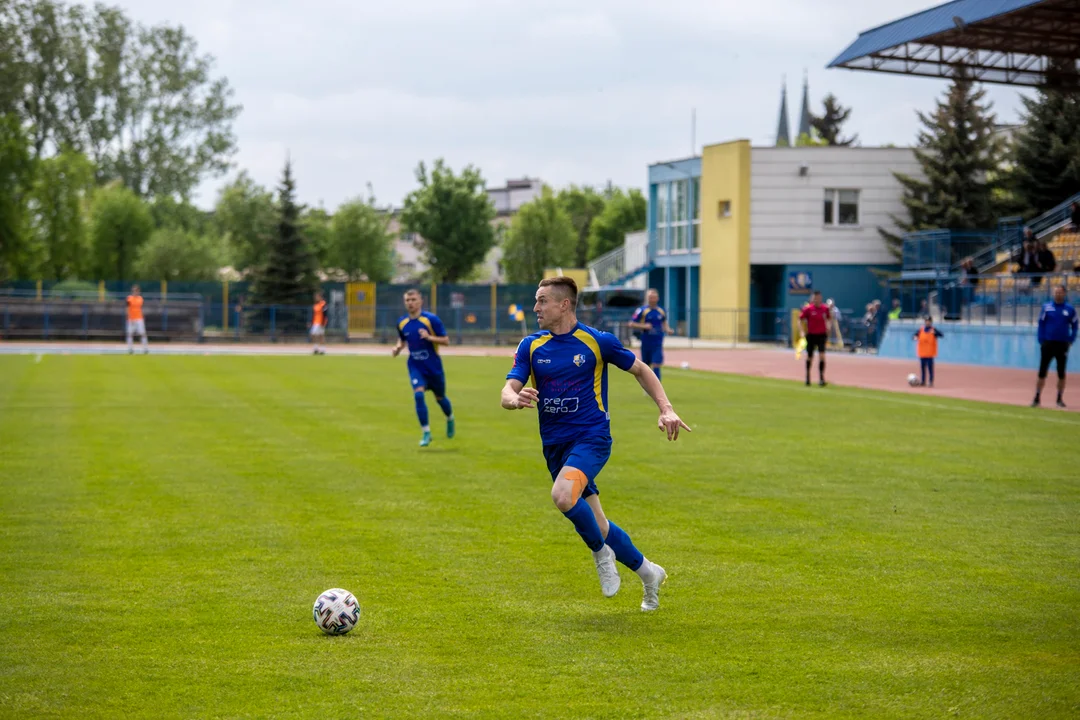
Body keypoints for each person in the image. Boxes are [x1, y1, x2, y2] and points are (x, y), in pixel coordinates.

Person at [501, 276, 690, 611]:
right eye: (536, 300)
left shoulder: (597, 341)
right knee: (598, 522)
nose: (535, 308)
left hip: (592, 437)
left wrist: (667, 408)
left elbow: (641, 369)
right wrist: (512, 398)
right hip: (555, 446)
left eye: (542, 300)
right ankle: (649, 573)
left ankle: (602, 555)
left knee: (562, 495)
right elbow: (508, 388)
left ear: (564, 304)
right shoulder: (531, 345)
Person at [393, 289, 455, 446]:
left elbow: (446, 340)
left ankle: (450, 418)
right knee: (418, 395)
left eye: (413, 299)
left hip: (433, 367)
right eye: (407, 300)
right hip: (415, 365)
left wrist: (429, 337)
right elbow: (402, 340)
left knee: (440, 399)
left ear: (420, 301)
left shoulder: (431, 320)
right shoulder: (402, 323)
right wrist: (398, 348)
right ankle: (426, 432)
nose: (410, 303)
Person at [1032, 285, 1077, 408]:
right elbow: (1041, 323)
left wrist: (1071, 339)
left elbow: (1075, 325)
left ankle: (1059, 398)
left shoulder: (1070, 309)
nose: (1058, 294)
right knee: (1042, 372)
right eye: (1056, 292)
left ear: (1064, 294)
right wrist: (1041, 339)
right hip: (1048, 343)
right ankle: (1037, 397)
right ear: (1053, 294)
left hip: (1062, 344)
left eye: (1060, 292)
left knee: (1061, 373)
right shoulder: (1047, 307)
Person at [627, 288, 674, 380]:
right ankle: (647, 386)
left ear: (657, 298)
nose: (652, 299)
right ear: (647, 298)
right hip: (646, 342)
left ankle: (658, 388)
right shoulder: (641, 310)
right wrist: (644, 326)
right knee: (646, 366)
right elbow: (631, 323)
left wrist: (668, 329)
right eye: (650, 297)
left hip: (657, 342)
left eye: (654, 297)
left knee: (656, 364)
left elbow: (663, 322)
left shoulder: (661, 310)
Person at [799, 290, 831, 386]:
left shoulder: (825, 308)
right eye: (814, 298)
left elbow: (829, 318)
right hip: (811, 335)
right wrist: (802, 331)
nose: (816, 300)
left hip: (821, 335)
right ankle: (808, 376)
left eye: (818, 298)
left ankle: (821, 378)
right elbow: (800, 319)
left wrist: (828, 327)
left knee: (822, 355)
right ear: (812, 299)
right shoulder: (808, 309)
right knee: (810, 356)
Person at [912, 316, 944, 388]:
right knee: (923, 368)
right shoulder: (921, 330)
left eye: (929, 321)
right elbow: (914, 335)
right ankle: (923, 381)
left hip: (930, 353)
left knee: (930, 368)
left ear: (931, 322)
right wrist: (915, 337)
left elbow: (941, 335)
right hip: (922, 353)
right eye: (926, 321)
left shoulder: (933, 330)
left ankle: (931, 381)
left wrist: (935, 333)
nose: (927, 322)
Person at [125, 284, 148, 355]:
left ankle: (145, 349)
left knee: (142, 333)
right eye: (134, 290)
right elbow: (127, 308)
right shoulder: (129, 298)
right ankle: (130, 349)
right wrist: (129, 317)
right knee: (130, 334)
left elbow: (141, 308)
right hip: (131, 319)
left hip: (139, 318)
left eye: (137, 291)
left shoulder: (140, 299)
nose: (135, 292)